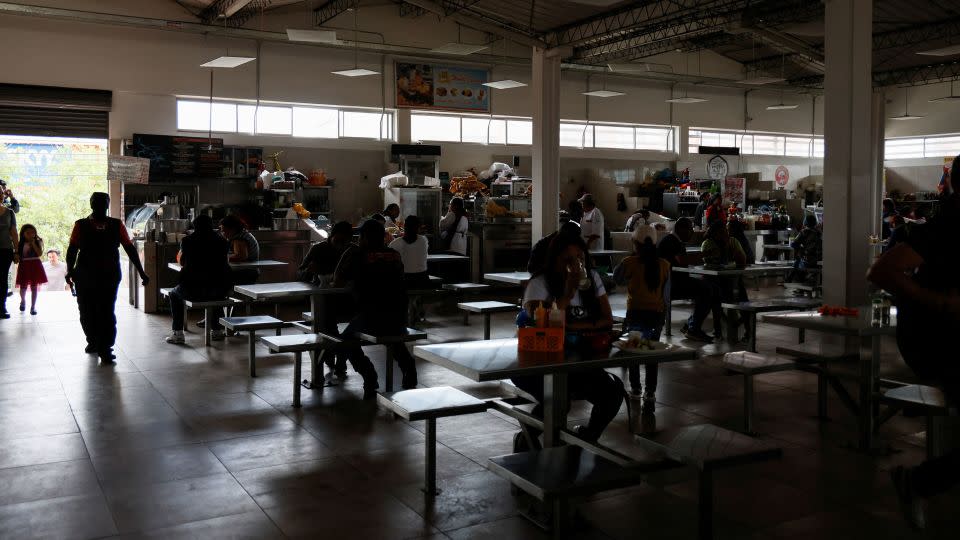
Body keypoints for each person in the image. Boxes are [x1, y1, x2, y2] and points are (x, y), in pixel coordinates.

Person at [867, 154, 960, 530]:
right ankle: (917, 481)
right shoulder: (948, 226)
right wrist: (936, 302)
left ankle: (919, 482)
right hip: (941, 343)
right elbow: (882, 270)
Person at [512, 233, 624, 448]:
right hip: (536, 363)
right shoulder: (539, 284)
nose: (576, 265)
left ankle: (587, 438)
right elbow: (540, 327)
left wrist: (571, 326)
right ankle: (526, 436)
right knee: (558, 399)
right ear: (554, 260)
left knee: (612, 392)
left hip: (577, 360)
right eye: (567, 260)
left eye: (580, 258)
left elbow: (607, 320)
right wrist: (567, 293)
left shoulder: (592, 280)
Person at [334, 219, 417, 398]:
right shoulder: (394, 255)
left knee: (346, 340)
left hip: (372, 316)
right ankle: (409, 369)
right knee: (393, 337)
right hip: (400, 316)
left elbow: (337, 280)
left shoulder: (358, 255)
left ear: (363, 237)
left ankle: (369, 374)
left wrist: (348, 251)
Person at [66, 192, 149, 363]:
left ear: (108, 205)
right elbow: (72, 250)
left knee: (105, 310)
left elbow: (130, 249)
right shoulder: (80, 225)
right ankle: (93, 341)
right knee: (87, 310)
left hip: (108, 275)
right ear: (91, 204)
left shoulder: (116, 225)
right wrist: (70, 271)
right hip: (85, 274)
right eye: (97, 202)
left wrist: (142, 271)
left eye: (103, 202)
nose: (100, 205)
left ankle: (105, 347)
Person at [613, 224, 670, 411]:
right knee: (652, 353)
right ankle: (651, 392)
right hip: (656, 315)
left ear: (635, 243)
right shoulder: (664, 264)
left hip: (635, 313)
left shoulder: (630, 262)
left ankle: (636, 389)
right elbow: (666, 294)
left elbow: (617, 279)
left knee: (634, 351)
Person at [298, 220, 355, 379]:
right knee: (328, 323)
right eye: (338, 241)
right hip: (324, 298)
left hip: (346, 298)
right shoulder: (318, 249)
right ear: (332, 236)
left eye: (345, 242)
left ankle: (334, 355)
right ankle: (335, 356)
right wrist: (309, 272)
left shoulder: (352, 250)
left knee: (335, 326)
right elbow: (300, 272)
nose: (341, 245)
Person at [165, 215, 232, 344]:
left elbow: (183, 262)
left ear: (195, 226)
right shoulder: (222, 241)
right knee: (215, 289)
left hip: (192, 290)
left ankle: (178, 333)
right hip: (219, 290)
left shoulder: (187, 241)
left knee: (174, 294)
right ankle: (217, 331)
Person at [389, 215, 430, 290]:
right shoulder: (424, 240)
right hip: (422, 279)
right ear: (418, 228)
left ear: (404, 226)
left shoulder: (395, 243)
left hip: (404, 280)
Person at [15, 224, 47, 315]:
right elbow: (19, 256)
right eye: (28, 233)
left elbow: (39, 253)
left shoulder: (38, 241)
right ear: (23, 234)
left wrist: (33, 243)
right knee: (23, 286)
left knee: (34, 287)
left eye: (33, 232)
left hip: (35, 265)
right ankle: (23, 301)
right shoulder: (20, 243)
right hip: (24, 265)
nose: (31, 235)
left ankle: (33, 307)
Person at [219, 214, 260, 284]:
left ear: (233, 229)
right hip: (247, 271)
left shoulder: (240, 238)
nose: (224, 234)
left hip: (245, 272)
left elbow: (240, 256)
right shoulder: (242, 234)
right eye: (222, 231)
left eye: (225, 231)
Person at [788, 215, 822, 283]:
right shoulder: (819, 232)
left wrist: (801, 248)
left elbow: (793, 244)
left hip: (809, 261)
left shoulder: (804, 232)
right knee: (799, 259)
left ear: (805, 222)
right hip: (820, 261)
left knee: (797, 261)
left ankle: (791, 280)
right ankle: (799, 280)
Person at [0, 199, 16, 318]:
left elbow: (13, 232)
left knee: (2, 278)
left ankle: (2, 307)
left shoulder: (10, 212)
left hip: (5, 250)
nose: (1, 195)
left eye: (1, 193)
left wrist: (17, 251)